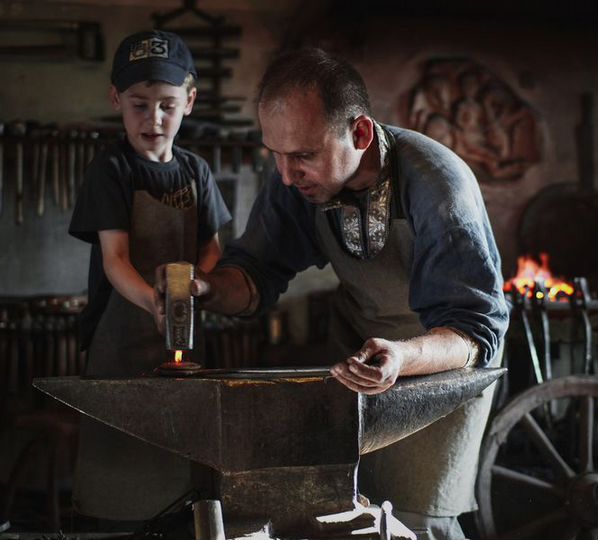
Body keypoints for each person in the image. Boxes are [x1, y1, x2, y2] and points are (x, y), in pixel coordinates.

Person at [155, 47, 508, 540]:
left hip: (443, 370)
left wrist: (402, 357)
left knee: (419, 521)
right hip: (363, 364)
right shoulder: (296, 182)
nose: (284, 174)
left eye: (302, 155)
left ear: (360, 133)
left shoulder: (437, 186)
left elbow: (475, 333)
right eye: (274, 155)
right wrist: (205, 289)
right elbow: (255, 272)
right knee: (352, 515)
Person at [68, 30, 231, 525]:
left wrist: (196, 286)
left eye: (167, 105)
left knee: (178, 456)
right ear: (116, 99)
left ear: (190, 101)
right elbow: (115, 259)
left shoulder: (196, 171)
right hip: (120, 333)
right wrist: (157, 304)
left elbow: (212, 247)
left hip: (181, 330)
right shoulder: (112, 169)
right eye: (139, 104)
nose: (153, 119)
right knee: (119, 465)